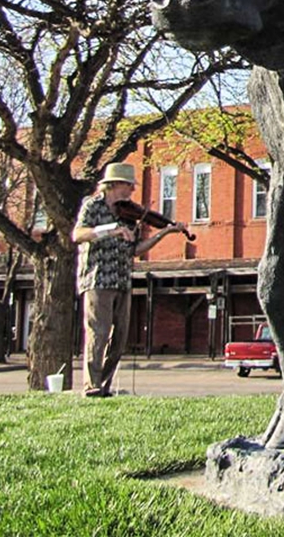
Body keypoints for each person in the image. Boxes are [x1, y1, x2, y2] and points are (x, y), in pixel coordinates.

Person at [72, 162, 186, 397]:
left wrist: (164, 232)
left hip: (123, 279)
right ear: (114, 185)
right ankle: (90, 385)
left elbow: (136, 249)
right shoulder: (92, 206)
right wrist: (110, 229)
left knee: (120, 337)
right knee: (98, 332)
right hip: (98, 278)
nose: (132, 190)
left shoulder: (129, 214)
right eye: (129, 185)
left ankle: (103, 386)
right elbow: (78, 234)